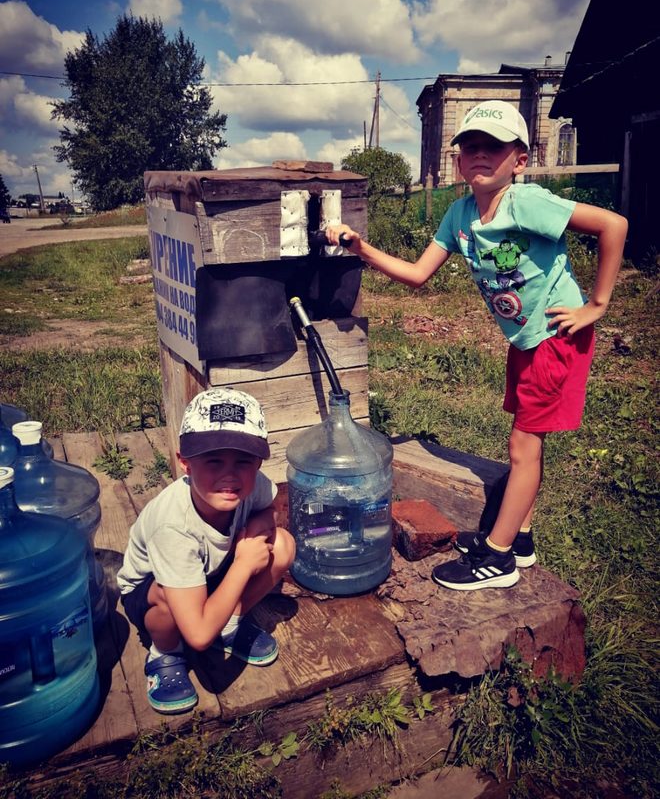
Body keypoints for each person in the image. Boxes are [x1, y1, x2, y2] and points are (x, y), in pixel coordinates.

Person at [326, 99, 628, 592]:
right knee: (527, 442)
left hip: (556, 336)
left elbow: (614, 225)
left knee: (522, 446)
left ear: (520, 159)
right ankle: (521, 538)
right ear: (458, 161)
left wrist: (596, 303)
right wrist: (361, 248)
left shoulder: (524, 201)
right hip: (526, 339)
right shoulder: (460, 214)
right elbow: (419, 275)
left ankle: (499, 556)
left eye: (496, 146)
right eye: (471, 147)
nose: (482, 155)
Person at [117, 387, 296, 713]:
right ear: (185, 463)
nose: (229, 475)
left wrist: (262, 523)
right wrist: (242, 565)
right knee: (174, 607)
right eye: (214, 461)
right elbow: (197, 635)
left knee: (282, 544)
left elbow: (271, 506)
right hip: (155, 590)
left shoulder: (253, 485)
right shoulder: (172, 526)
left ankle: (228, 625)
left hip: (208, 572)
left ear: (257, 464)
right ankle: (165, 654)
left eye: (243, 461)